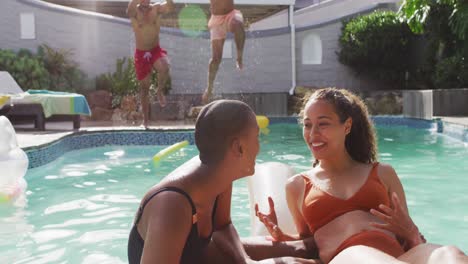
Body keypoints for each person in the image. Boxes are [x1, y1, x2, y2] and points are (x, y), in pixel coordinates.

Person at [253, 88, 468, 263]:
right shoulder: (298, 186)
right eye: (307, 125)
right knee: (361, 254)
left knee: (449, 254)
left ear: (347, 126)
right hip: (348, 256)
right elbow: (309, 244)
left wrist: (411, 231)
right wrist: (281, 237)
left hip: (400, 257)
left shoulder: (382, 173)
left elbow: (409, 235)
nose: (313, 133)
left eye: (323, 124)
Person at [127, 100, 315, 264]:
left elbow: (222, 226)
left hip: (198, 256)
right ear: (238, 148)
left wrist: (245, 261)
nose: (260, 146)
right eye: (257, 137)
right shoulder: (172, 205)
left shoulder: (218, 171)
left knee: (302, 250)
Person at [127, 0, 173, 128]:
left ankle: (159, 91)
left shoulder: (156, 8)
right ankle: (146, 120)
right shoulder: (134, 9)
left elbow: (170, 7)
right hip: (141, 53)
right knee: (144, 88)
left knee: (164, 66)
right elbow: (128, 11)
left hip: (155, 50)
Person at [202, 0, 246, 104]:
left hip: (231, 15)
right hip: (216, 20)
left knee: (237, 23)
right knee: (216, 59)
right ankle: (209, 88)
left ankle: (239, 56)